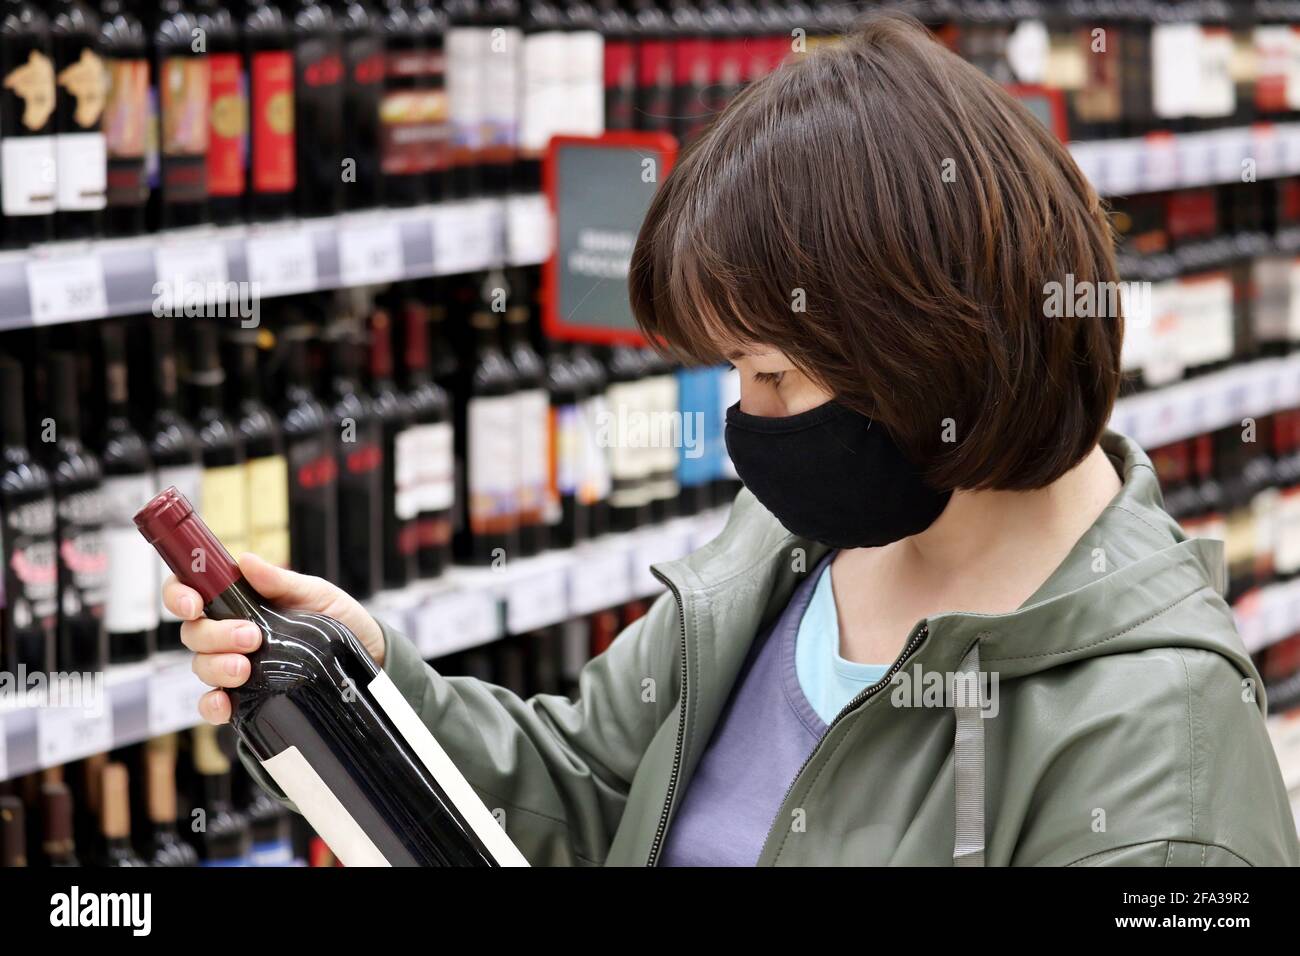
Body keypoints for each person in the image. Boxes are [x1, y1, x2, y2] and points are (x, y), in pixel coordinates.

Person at [166, 13, 1300, 866]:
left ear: (925, 350)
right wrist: (371, 684)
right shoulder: (798, 541)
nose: (746, 420)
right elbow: (595, 784)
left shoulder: (1159, 759)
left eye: (771, 374)